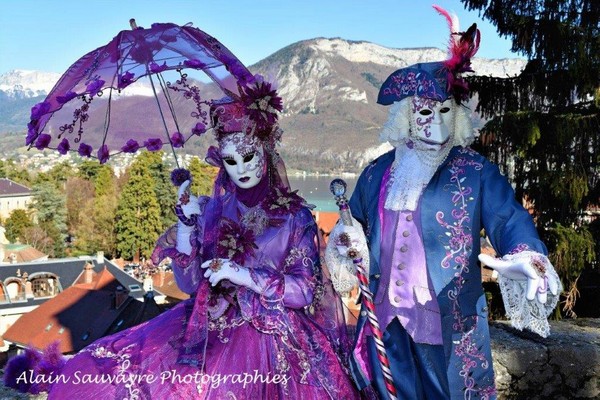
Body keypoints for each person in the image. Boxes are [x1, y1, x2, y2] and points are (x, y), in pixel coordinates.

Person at [7, 78, 360, 399]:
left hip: (276, 342)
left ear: (265, 152)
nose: (241, 169)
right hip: (207, 329)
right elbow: (190, 284)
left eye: (249, 156)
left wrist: (242, 275)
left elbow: (304, 292)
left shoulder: (295, 217)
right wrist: (188, 226)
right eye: (230, 160)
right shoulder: (213, 210)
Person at [325, 7, 562, 400]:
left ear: (457, 116)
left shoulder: (476, 172)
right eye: (422, 112)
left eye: (444, 112)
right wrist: (347, 243)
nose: (434, 123)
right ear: (405, 116)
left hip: (451, 329)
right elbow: (353, 230)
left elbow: (509, 219)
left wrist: (526, 255)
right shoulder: (376, 173)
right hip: (385, 327)